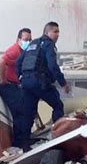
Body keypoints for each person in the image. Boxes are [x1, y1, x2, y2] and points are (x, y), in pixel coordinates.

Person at [16, 21, 70, 151]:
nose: (58, 35)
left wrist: (20, 78)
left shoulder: (32, 44)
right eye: (55, 32)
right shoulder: (48, 44)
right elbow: (52, 66)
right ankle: (57, 139)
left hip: (26, 83)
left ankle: (25, 146)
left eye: (58, 32)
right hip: (39, 82)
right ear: (47, 32)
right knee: (58, 105)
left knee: (28, 114)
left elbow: (18, 62)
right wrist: (63, 83)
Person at [0, 28, 32, 147]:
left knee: (25, 111)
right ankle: (18, 142)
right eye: (26, 39)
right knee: (19, 113)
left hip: (16, 84)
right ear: (18, 40)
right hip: (9, 85)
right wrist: (3, 79)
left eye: (30, 40)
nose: (28, 42)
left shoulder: (24, 52)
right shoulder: (14, 50)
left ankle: (23, 140)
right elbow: (1, 62)